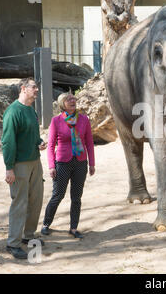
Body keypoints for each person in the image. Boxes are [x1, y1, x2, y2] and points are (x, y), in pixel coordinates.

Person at [2, 77, 47, 259]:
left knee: (35, 200)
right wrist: (9, 168)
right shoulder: (13, 112)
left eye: (37, 87)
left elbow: (33, 135)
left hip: (35, 162)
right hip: (19, 165)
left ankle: (28, 236)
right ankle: (13, 243)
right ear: (23, 88)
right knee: (20, 203)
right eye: (34, 87)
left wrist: (40, 142)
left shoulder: (31, 110)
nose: (37, 90)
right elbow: (8, 142)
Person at [41, 92, 95, 239]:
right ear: (62, 104)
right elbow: (51, 145)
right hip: (62, 163)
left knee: (76, 197)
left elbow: (89, 143)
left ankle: (73, 228)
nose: (73, 100)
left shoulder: (84, 120)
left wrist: (92, 163)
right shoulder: (56, 121)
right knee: (58, 195)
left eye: (73, 98)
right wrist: (51, 166)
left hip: (80, 163)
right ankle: (46, 224)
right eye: (68, 99)